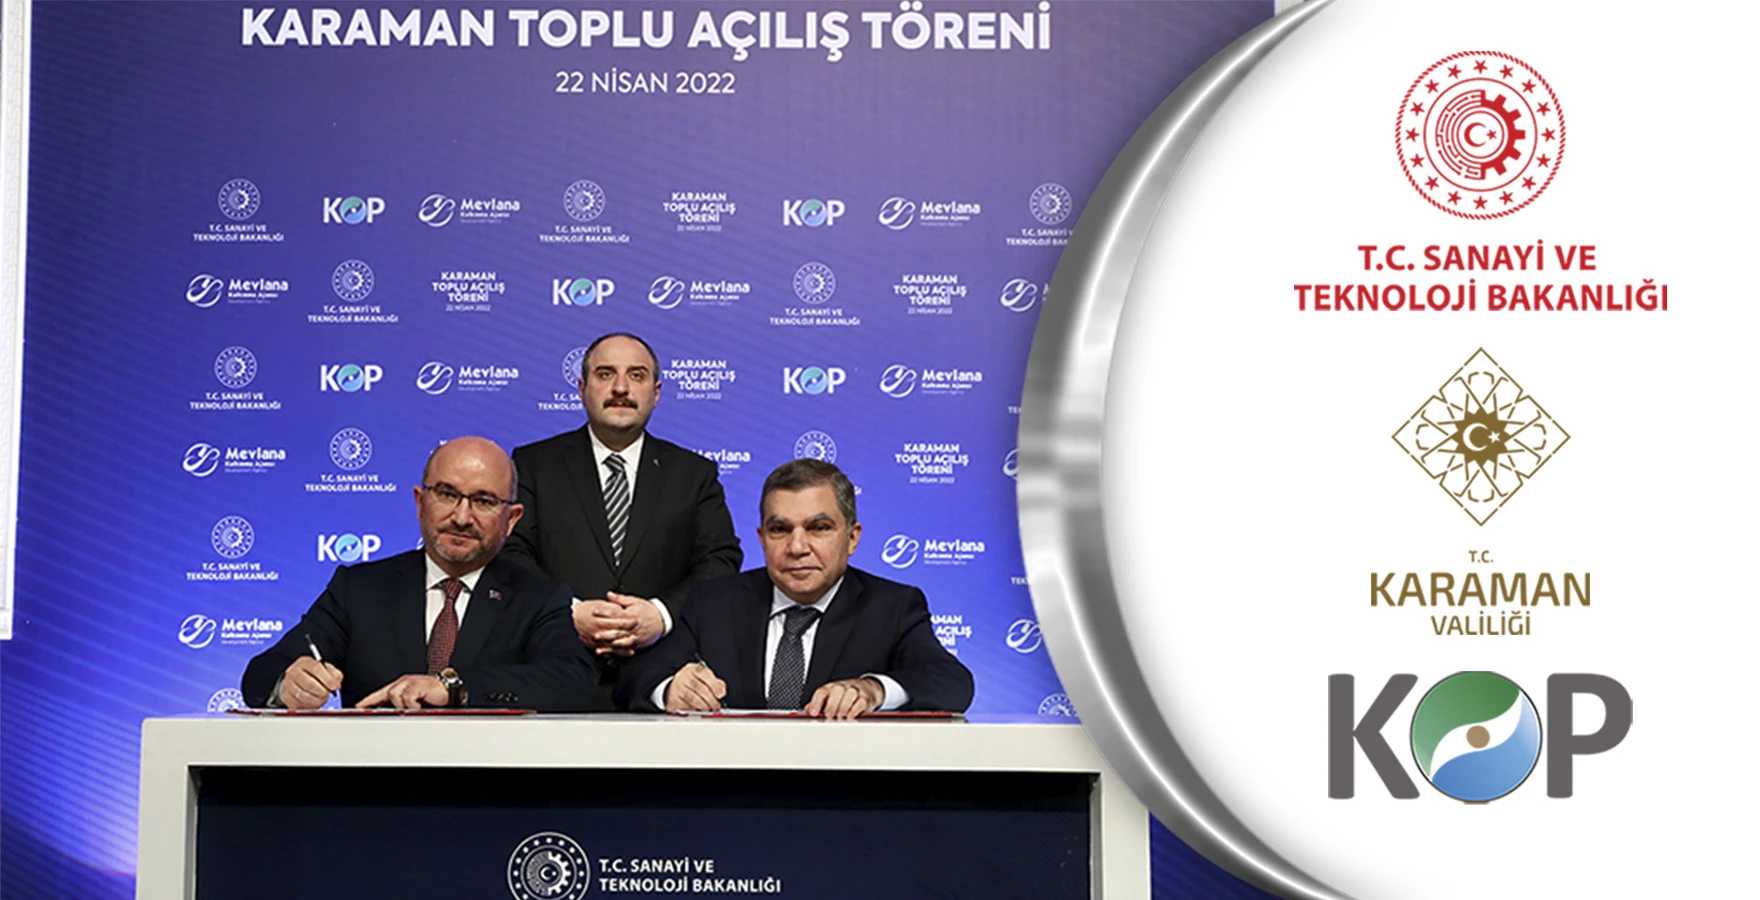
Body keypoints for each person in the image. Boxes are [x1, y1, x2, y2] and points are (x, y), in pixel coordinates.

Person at [241, 436, 596, 711]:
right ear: (420, 502)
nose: (461, 517)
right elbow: (262, 674)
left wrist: (454, 687)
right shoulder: (359, 589)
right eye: (447, 494)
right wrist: (289, 684)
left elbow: (573, 683)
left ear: (512, 519)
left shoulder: (538, 597)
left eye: (484, 501)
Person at [617, 458, 974, 719]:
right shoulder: (713, 601)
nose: (797, 547)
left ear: (852, 538)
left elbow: (951, 682)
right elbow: (634, 679)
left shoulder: (892, 607)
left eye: (818, 528)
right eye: (780, 530)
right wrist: (670, 690)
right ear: (762, 538)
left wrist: (873, 690)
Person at [501, 332, 742, 703]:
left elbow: (721, 560)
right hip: (555, 674)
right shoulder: (533, 465)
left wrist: (660, 615)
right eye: (605, 374)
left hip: (661, 681)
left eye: (636, 375)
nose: (620, 388)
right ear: (582, 388)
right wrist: (567, 612)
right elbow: (511, 553)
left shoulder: (694, 474)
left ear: (656, 393)